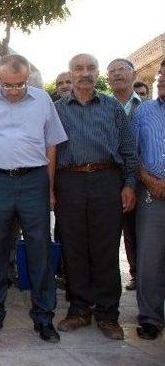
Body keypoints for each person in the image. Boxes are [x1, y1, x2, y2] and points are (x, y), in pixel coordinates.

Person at [0, 54, 67, 343]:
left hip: (34, 181)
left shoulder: (42, 101)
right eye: (8, 85)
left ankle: (44, 318)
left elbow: (51, 146)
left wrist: (49, 188)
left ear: (28, 78)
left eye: (20, 84)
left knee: (39, 249)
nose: (14, 90)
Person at [54, 53, 136, 340]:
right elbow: (48, 153)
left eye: (90, 68)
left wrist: (129, 184)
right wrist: (51, 190)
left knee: (105, 249)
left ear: (98, 72)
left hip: (107, 181)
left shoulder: (112, 107)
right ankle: (78, 310)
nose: (85, 73)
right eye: (79, 68)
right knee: (73, 248)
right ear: (70, 73)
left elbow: (128, 149)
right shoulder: (57, 110)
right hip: (70, 181)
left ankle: (107, 314)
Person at [132, 58, 165, 340]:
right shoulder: (143, 112)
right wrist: (149, 180)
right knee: (149, 260)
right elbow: (133, 152)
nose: (161, 79)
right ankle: (151, 318)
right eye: (160, 75)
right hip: (151, 195)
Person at [107, 58, 142, 291]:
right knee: (109, 236)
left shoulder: (149, 107)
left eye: (122, 70)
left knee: (140, 233)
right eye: (112, 71)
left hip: (144, 180)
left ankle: (143, 277)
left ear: (133, 74)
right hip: (108, 180)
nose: (117, 74)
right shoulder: (102, 106)